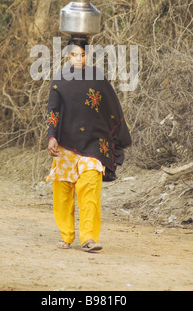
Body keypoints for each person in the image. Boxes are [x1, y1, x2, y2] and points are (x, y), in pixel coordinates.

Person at [46, 37, 132, 252]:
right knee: (63, 190)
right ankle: (66, 235)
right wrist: (52, 137)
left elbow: (113, 107)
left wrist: (116, 136)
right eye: (74, 54)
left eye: (82, 54)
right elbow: (53, 112)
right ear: (68, 55)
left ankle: (89, 238)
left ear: (88, 55)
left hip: (95, 141)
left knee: (90, 187)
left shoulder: (97, 78)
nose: (78, 59)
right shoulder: (60, 81)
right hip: (66, 143)